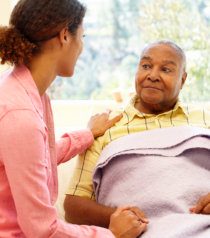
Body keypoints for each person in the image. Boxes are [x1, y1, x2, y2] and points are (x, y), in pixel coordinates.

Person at [0, 0, 147, 237]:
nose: (82, 47)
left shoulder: (24, 88)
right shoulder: (20, 115)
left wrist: (87, 135)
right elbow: (42, 230)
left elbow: (35, 159)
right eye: (83, 35)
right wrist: (112, 234)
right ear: (64, 36)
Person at [64, 40, 210, 228]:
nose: (153, 75)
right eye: (146, 66)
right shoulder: (105, 127)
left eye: (166, 70)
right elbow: (73, 206)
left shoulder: (205, 121)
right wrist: (117, 217)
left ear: (183, 80)